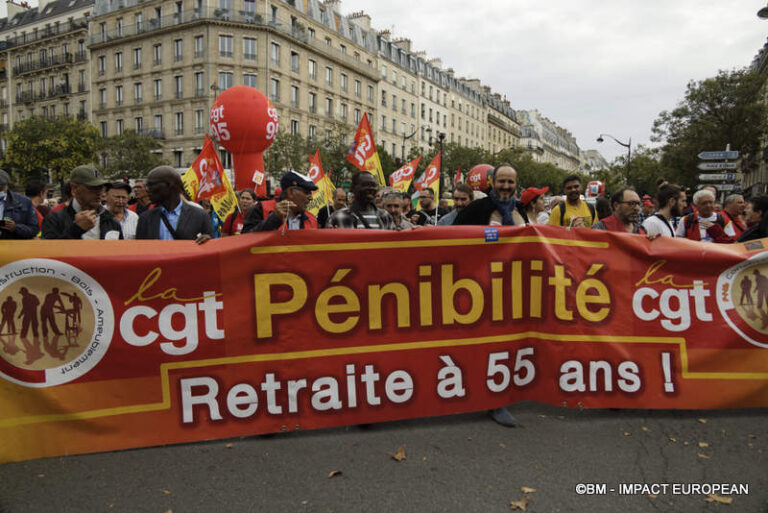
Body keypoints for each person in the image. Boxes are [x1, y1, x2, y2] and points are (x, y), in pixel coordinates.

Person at [42, 165, 123, 240]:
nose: (99, 192)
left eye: (101, 188)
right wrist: (77, 229)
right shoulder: (54, 220)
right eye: (92, 188)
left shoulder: (111, 221)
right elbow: (49, 253)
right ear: (74, 189)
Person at [136, 166, 213, 243]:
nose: (147, 189)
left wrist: (207, 241)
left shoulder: (200, 216)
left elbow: (211, 249)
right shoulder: (145, 219)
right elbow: (140, 250)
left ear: (169, 185)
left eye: (151, 185)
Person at [453, 164, 527, 226]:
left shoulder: (520, 210)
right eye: (501, 181)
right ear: (493, 183)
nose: (506, 186)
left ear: (516, 184)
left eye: (510, 182)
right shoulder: (474, 209)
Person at [254, 171, 319, 231]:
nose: (311, 198)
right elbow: (247, 239)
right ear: (290, 192)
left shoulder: (312, 219)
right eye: (307, 192)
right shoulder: (261, 209)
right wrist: (274, 219)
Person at [328, 172, 395, 230]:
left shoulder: (385, 216)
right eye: (366, 185)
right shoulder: (337, 217)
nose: (371, 188)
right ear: (353, 188)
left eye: (373, 185)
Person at [0, 169, 39, 240]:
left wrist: (16, 228)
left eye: (1, 189)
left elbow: (34, 229)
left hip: (13, 247)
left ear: (8, 185)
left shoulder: (24, 202)